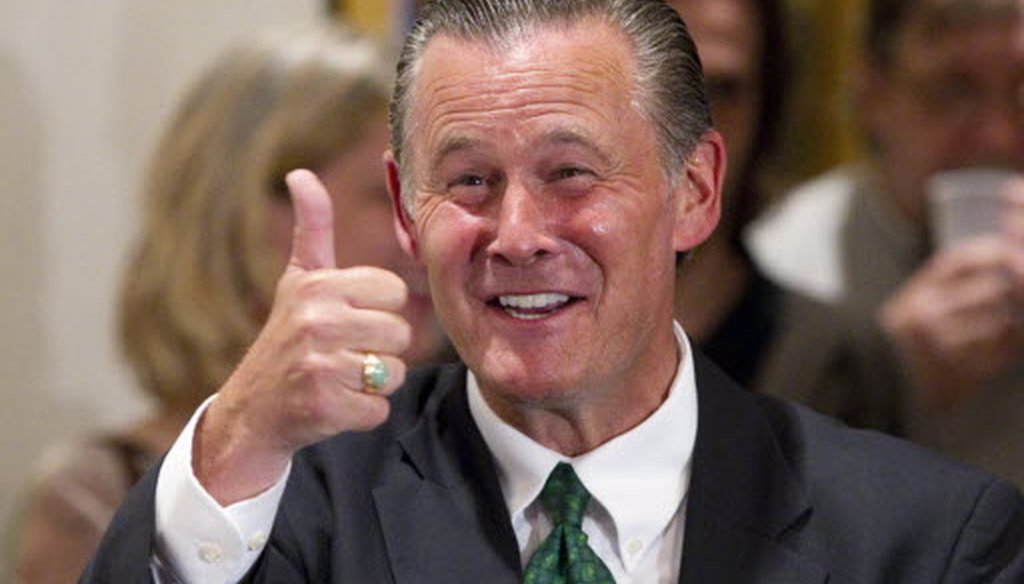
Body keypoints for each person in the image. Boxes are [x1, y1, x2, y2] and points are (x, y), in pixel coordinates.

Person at [84, 1, 1023, 582]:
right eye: (469, 182)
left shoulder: (927, 539)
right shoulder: (288, 516)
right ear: (411, 220)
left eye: (572, 173)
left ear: (693, 191)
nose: (519, 235)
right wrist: (241, 434)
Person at [12, 23, 449, 584]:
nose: (427, 233)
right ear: (255, 212)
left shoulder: (468, 457)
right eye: (386, 195)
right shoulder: (100, 495)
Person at [747, 0, 1024, 486]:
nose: (998, 137)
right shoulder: (789, 263)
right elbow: (745, 509)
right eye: (953, 91)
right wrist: (881, 379)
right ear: (872, 94)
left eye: (1023, 93)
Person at [669, 0, 901, 430]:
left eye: (721, 90)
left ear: (766, 109)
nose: (684, 128)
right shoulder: (522, 337)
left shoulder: (836, 360)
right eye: (660, 86)